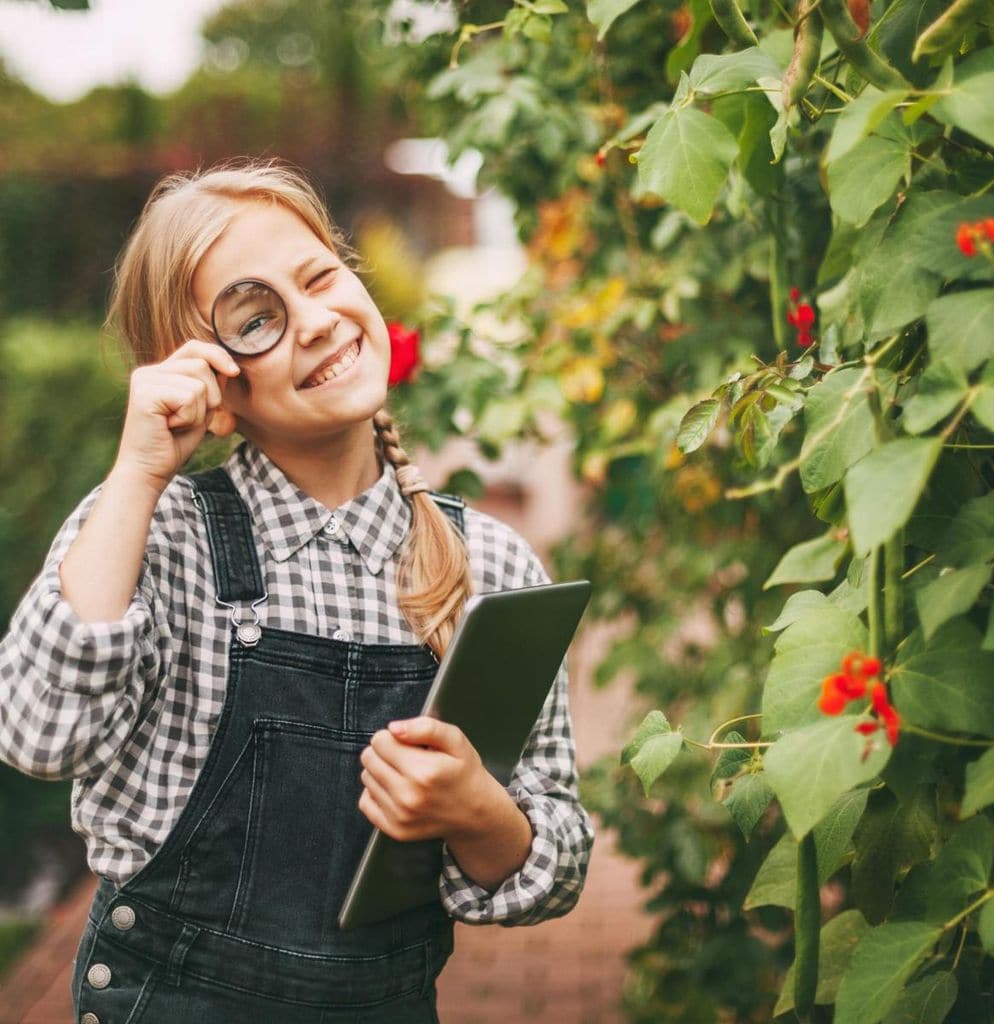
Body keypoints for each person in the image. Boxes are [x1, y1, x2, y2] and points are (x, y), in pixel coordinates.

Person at [0, 157, 594, 1023]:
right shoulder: (155, 534)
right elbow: (34, 734)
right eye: (257, 319)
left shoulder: (492, 569)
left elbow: (554, 865)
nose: (314, 322)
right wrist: (136, 472)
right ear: (212, 384)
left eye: (320, 278)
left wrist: (477, 811)